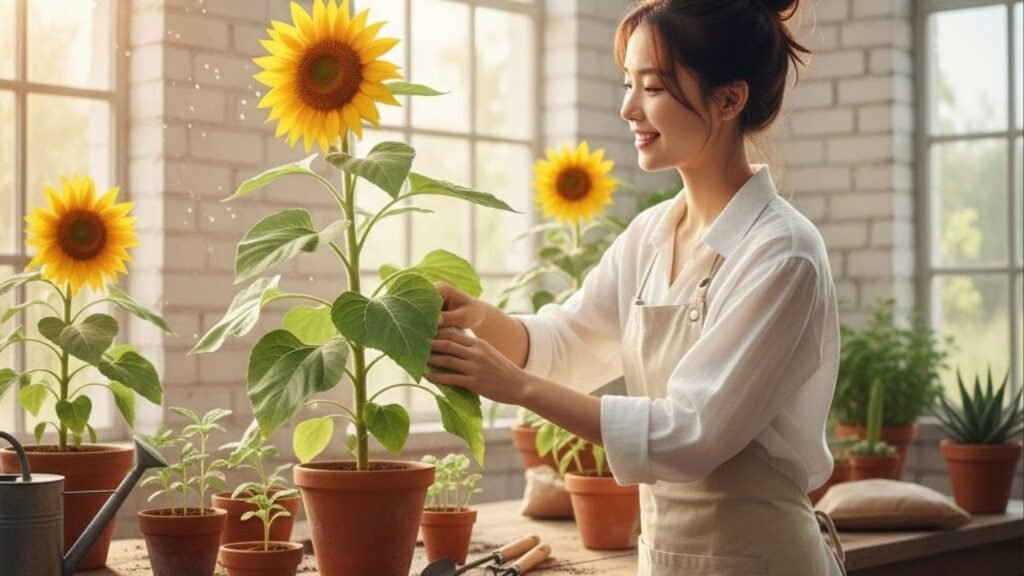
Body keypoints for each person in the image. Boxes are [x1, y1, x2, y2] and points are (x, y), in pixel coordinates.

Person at [425, 0, 846, 574]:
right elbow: (567, 345)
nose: (628, 108)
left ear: (729, 100)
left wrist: (517, 388)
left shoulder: (782, 253)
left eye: (652, 87)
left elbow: (691, 434)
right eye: (629, 83)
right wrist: (479, 318)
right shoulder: (650, 235)